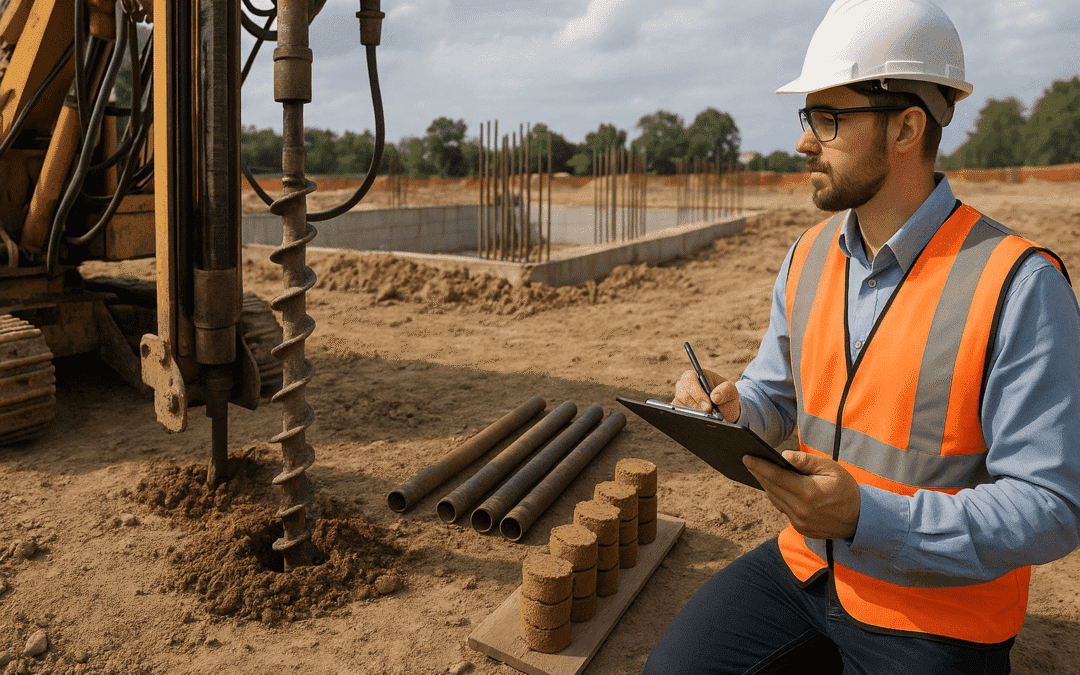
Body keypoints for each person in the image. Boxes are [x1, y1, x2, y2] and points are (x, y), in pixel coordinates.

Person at [643, 1, 1080, 673]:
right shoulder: (809, 257)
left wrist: (868, 517)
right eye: (808, 117)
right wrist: (734, 409)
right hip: (807, 565)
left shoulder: (1017, 283)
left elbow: (1050, 505)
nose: (804, 142)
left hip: (938, 610)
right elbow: (777, 394)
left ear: (907, 128)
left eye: (830, 118)